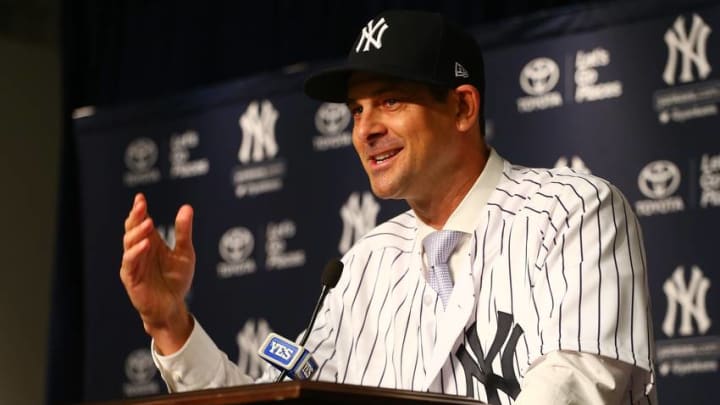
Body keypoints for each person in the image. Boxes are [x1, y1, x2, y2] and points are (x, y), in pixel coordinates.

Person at [120, 9, 657, 405]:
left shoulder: (573, 213)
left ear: (463, 107)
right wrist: (170, 323)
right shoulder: (363, 264)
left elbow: (574, 390)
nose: (365, 129)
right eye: (357, 110)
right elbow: (277, 400)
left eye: (391, 100)